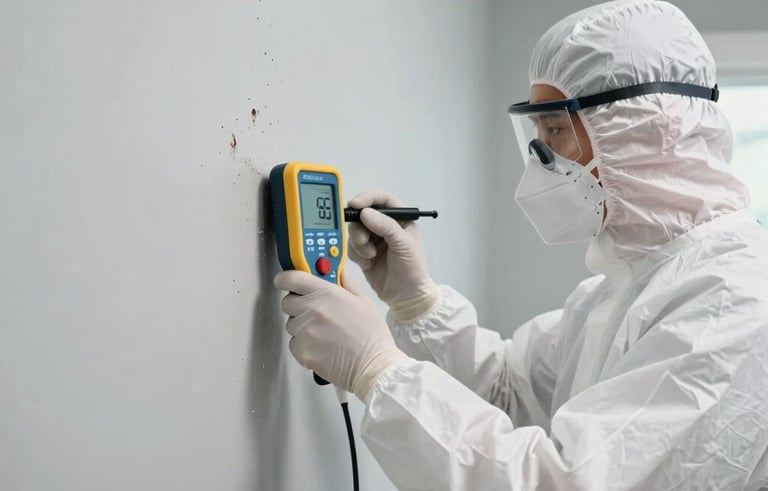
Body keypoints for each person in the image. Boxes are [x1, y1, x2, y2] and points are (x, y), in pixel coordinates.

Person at [274, 0, 768, 489]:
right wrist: (417, 303)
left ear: (650, 130)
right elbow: (507, 391)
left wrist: (377, 370)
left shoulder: (730, 301)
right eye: (536, 131)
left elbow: (563, 482)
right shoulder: (621, 290)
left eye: (555, 129)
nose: (541, 159)